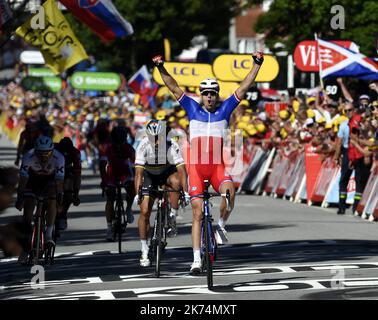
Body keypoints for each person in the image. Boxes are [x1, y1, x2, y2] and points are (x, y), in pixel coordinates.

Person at [152, 52, 264, 274]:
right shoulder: (192, 108)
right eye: (206, 94)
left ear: (217, 95)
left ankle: (220, 226)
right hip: (196, 168)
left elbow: (244, 86)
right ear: (201, 96)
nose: (210, 97)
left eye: (213, 93)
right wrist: (162, 68)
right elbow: (174, 87)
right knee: (196, 214)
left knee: (230, 193)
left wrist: (257, 64)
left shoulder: (226, 109)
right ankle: (195, 259)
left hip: (216, 167)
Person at [134, 119, 189, 267]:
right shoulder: (143, 146)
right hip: (149, 176)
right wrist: (137, 194)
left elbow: (182, 171)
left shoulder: (172, 145)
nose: (156, 141)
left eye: (159, 137)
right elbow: (138, 174)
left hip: (166, 174)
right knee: (144, 211)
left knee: (176, 181)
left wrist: (186, 192)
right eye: (153, 138)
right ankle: (144, 249)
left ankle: (172, 214)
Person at [15, 135, 65, 263]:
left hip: (50, 182)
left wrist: (59, 196)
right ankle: (25, 247)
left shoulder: (59, 157)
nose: (44, 156)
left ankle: (48, 234)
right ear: (35, 151)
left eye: (47, 153)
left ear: (52, 151)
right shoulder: (28, 156)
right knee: (28, 207)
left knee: (52, 201)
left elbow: (59, 181)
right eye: (40, 153)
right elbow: (23, 179)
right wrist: (20, 196)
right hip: (32, 181)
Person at [100, 126, 136, 241]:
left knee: (131, 188)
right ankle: (109, 228)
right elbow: (102, 164)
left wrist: (136, 179)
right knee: (110, 197)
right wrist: (104, 180)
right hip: (111, 174)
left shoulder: (129, 148)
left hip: (125, 173)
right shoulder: (107, 148)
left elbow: (135, 164)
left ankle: (129, 208)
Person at [54, 137, 82, 231]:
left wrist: (76, 194)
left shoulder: (75, 153)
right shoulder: (54, 149)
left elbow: (77, 174)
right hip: (54, 168)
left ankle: (63, 214)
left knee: (69, 187)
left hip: (67, 169)